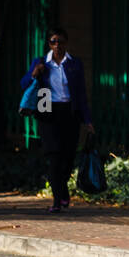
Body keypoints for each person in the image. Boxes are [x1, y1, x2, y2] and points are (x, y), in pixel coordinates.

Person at [21, 28, 94, 213]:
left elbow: (81, 94)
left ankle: (63, 192)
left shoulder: (74, 64)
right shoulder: (40, 62)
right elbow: (24, 84)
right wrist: (34, 74)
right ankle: (57, 198)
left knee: (68, 156)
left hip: (69, 112)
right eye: (53, 42)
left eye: (60, 41)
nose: (57, 45)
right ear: (49, 44)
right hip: (48, 112)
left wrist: (87, 119)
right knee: (53, 156)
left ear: (66, 43)